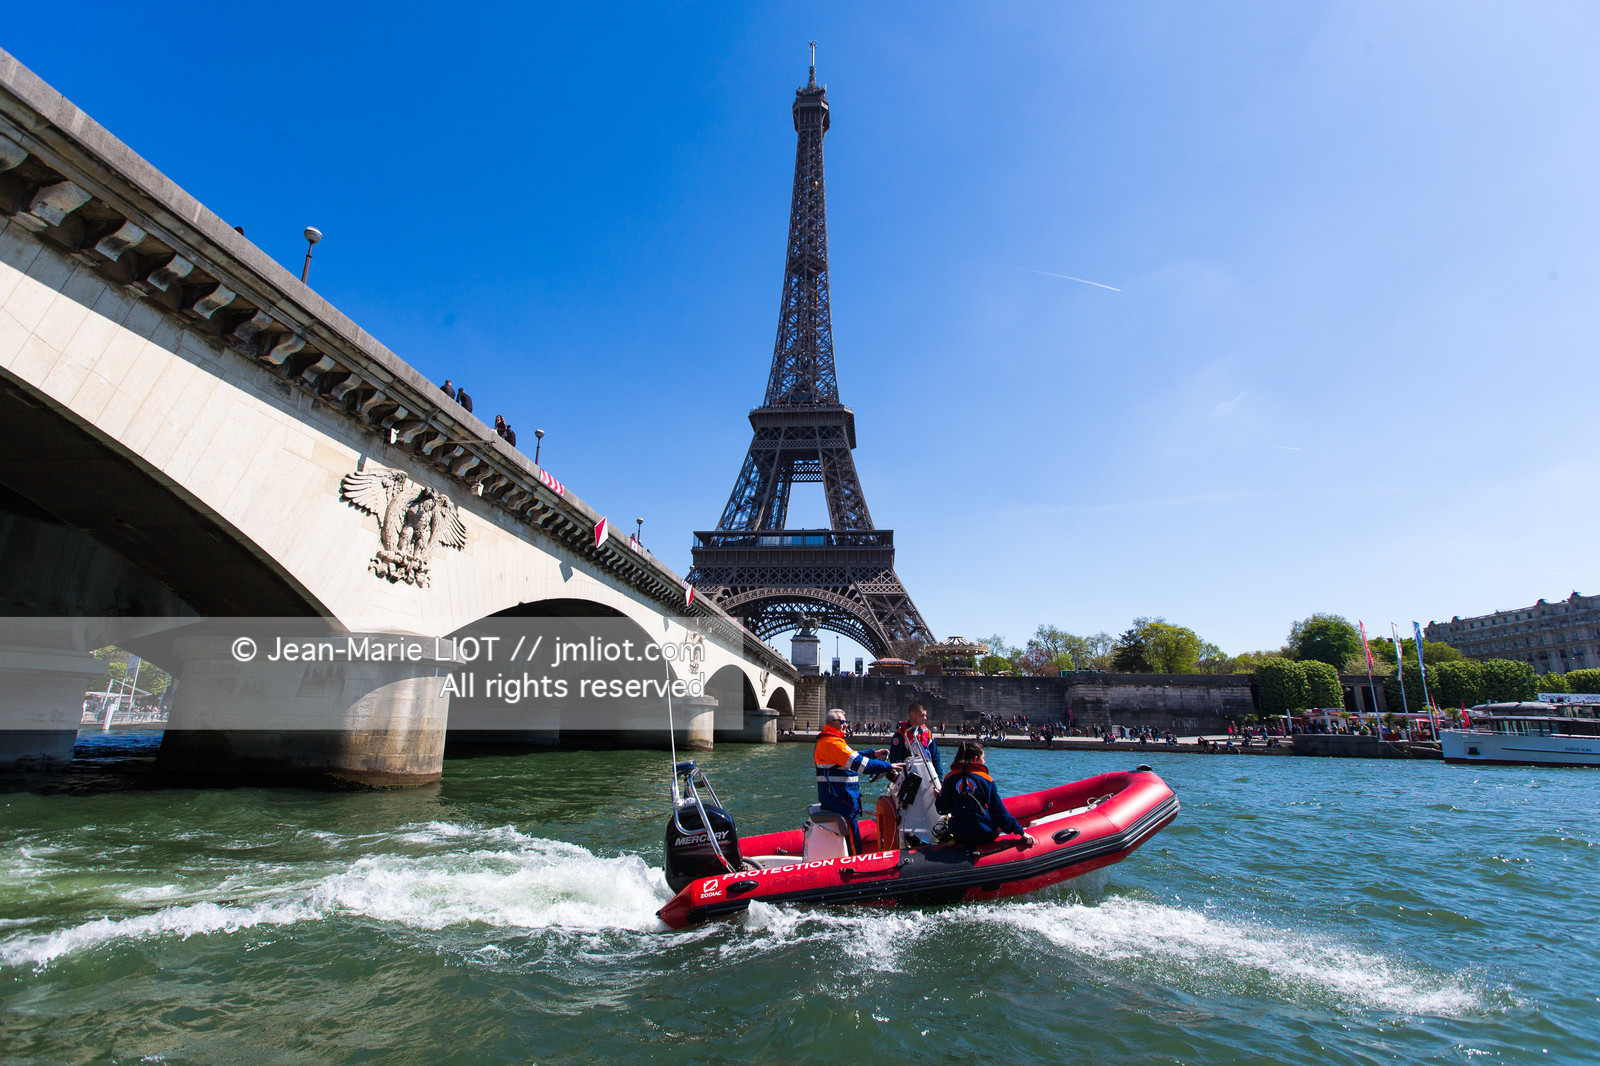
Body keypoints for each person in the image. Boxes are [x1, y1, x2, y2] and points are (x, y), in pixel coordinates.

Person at [814, 709, 893, 853]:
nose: (845, 725)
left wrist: (872, 753)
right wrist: (889, 766)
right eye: (842, 722)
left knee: (852, 836)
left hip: (835, 797)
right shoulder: (833, 743)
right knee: (853, 839)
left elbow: (848, 757)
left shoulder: (827, 741)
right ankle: (854, 866)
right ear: (832, 723)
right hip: (841, 800)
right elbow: (862, 765)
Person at [936, 742, 1035, 849]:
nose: (984, 761)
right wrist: (1020, 832)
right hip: (984, 835)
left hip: (960, 835)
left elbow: (942, 809)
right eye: (983, 758)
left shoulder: (949, 778)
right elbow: (999, 812)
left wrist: (940, 796)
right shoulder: (986, 780)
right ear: (975, 759)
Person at [889, 701, 942, 776]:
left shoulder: (927, 733)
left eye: (925, 716)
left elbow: (935, 755)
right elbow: (895, 759)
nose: (925, 718)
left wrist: (939, 776)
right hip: (909, 777)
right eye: (922, 716)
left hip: (928, 776)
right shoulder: (900, 735)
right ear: (912, 714)